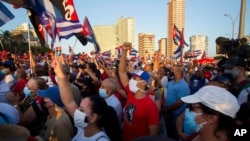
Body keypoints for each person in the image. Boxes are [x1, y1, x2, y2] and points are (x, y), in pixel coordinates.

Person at [52, 56, 122, 141]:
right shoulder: (83, 128)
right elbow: (69, 101)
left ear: (93, 117)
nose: (77, 110)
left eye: (81, 110)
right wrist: (60, 75)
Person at [118, 42, 160, 141]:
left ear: (143, 83)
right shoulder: (131, 94)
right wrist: (124, 51)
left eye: (134, 78)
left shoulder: (150, 106)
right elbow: (122, 72)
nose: (131, 80)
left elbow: (153, 137)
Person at [162, 64, 190, 140]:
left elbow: (179, 102)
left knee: (176, 135)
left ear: (182, 73)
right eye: (174, 70)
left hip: (177, 115)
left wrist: (167, 110)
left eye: (177, 71)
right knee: (169, 133)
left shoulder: (184, 85)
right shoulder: (170, 83)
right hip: (168, 112)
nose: (175, 72)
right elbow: (164, 93)